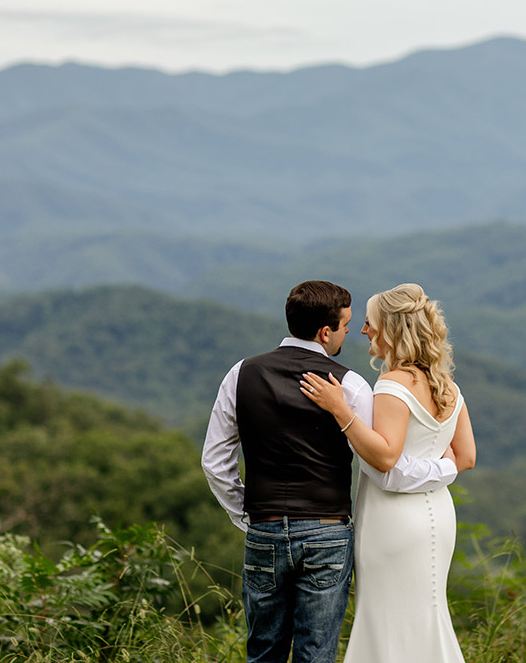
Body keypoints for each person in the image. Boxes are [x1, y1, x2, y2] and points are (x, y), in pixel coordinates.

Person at [202, 280, 460, 663]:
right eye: (345, 325)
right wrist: (445, 468)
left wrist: (248, 513)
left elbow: (215, 461)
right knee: (316, 653)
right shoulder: (352, 385)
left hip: (264, 527)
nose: (351, 332)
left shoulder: (241, 373)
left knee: (262, 651)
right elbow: (384, 463)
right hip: (327, 532)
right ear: (326, 332)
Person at [300, 282, 476, 663]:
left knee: (385, 619)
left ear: (392, 329)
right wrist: (437, 467)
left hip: (392, 522)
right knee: (428, 613)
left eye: (370, 322)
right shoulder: (447, 385)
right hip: (439, 516)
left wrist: (340, 410)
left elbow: (385, 457)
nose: (364, 330)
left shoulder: (393, 384)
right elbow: (466, 456)